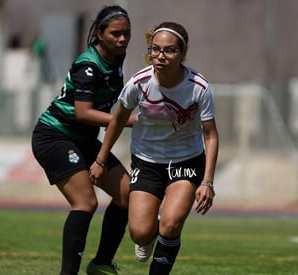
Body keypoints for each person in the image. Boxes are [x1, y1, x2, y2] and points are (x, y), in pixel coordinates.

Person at [90, 21, 219, 274]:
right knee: (139, 233)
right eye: (155, 50)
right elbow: (117, 120)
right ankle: (150, 232)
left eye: (169, 50)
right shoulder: (139, 83)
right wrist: (101, 159)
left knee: (170, 225)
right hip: (147, 161)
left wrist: (207, 181)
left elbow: (211, 135)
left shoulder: (198, 87)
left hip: (186, 161)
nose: (160, 56)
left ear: (182, 53)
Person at [31, 5, 133, 275]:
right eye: (115, 34)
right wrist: (131, 121)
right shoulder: (89, 64)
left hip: (84, 140)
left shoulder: (116, 58)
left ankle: (100, 264)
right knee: (86, 202)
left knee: (127, 195)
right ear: (99, 34)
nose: (122, 39)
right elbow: (83, 112)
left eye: (126, 34)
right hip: (55, 136)